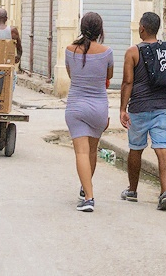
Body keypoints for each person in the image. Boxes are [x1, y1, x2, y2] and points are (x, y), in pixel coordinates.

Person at [119, 12, 166, 211]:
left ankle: (132, 191)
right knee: (163, 148)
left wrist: (122, 109)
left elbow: (127, 82)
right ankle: (165, 192)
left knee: (136, 148)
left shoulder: (133, 52)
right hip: (163, 107)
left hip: (139, 108)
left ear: (142, 28)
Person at [65, 13, 113, 212]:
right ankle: (86, 190)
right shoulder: (107, 52)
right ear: (100, 30)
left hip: (76, 106)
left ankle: (89, 197)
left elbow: (70, 74)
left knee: (81, 152)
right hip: (99, 107)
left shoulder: (70, 50)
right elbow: (108, 77)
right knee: (92, 151)